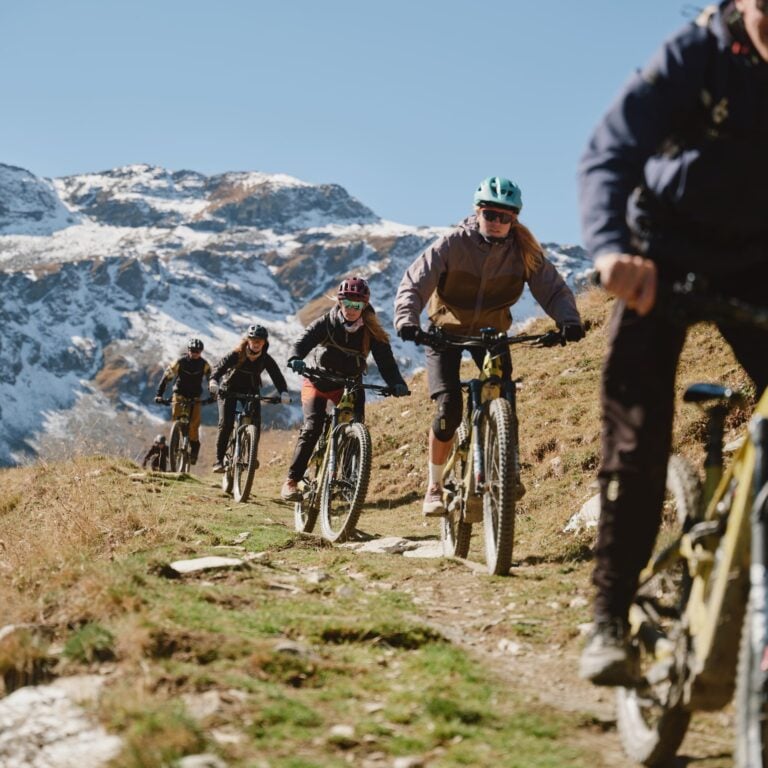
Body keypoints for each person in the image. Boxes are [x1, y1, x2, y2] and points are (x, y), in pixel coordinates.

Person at [578, 0, 768, 686]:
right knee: (638, 438)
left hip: (755, 265)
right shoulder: (697, 54)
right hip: (657, 258)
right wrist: (610, 252)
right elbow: (611, 150)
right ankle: (607, 617)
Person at [393, 176, 584, 517]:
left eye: (505, 217)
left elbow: (552, 289)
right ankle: (434, 487)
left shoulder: (524, 251)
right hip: (444, 334)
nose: (496, 222)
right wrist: (408, 320)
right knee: (449, 410)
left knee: (504, 395)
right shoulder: (452, 244)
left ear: (515, 220)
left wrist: (568, 321)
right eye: (490, 214)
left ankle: (508, 468)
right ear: (477, 213)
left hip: (491, 334)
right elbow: (415, 282)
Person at [280, 276, 410, 501]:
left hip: (350, 385)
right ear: (339, 302)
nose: (351, 310)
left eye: (357, 305)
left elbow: (386, 362)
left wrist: (397, 383)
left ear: (365, 305)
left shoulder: (372, 330)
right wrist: (295, 357)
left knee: (356, 431)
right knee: (312, 428)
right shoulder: (327, 322)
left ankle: (349, 484)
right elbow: (302, 342)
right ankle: (292, 482)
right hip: (318, 381)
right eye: (347, 304)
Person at [210, 324, 290, 473]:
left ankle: (251, 455)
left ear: (264, 342)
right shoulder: (236, 354)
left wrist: (283, 391)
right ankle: (219, 460)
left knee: (256, 422)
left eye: (259, 340)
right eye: (253, 339)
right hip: (229, 390)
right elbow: (219, 367)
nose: (256, 343)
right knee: (226, 424)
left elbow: (277, 376)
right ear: (248, 340)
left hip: (250, 390)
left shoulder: (265, 358)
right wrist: (214, 380)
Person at [154, 337, 213, 466]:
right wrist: (159, 394)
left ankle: (194, 451)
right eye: (192, 350)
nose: (195, 353)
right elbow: (167, 377)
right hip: (179, 395)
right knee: (176, 421)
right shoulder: (179, 362)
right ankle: (175, 447)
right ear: (188, 350)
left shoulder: (204, 364)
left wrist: (213, 395)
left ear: (201, 352)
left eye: (197, 351)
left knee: (193, 426)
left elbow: (211, 380)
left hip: (195, 398)